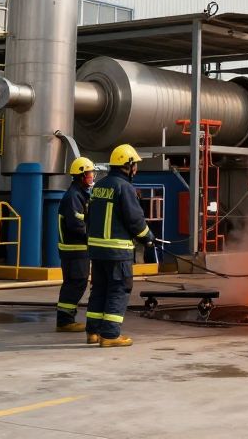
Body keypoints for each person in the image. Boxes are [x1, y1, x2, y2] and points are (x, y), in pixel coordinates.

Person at [86, 144, 155, 348]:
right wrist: (148, 238)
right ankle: (110, 335)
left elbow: (89, 217)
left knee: (99, 289)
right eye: (135, 165)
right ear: (128, 165)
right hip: (118, 252)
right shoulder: (125, 188)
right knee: (118, 290)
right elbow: (135, 220)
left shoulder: (98, 186)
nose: (136, 169)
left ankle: (93, 332)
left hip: (97, 251)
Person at [55, 156, 96, 332]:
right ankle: (65, 321)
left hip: (76, 249)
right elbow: (77, 224)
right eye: (90, 173)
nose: (92, 176)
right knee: (76, 283)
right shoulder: (74, 197)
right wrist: (92, 238)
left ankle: (65, 318)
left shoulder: (79, 194)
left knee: (73, 283)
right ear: (81, 175)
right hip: (75, 249)